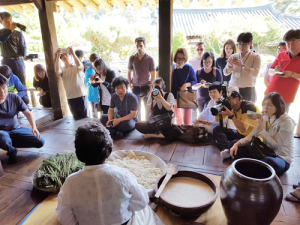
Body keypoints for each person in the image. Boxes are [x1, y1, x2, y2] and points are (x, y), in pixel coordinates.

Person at [56, 122, 161, 225]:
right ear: (109, 149)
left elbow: (65, 218)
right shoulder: (123, 175)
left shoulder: (70, 182)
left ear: (78, 153)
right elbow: (141, 202)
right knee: (145, 210)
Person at [229, 92, 295, 176]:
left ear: (278, 106)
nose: (265, 107)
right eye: (264, 104)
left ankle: (244, 169)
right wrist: (237, 144)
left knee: (268, 162)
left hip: (280, 158)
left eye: (270, 105)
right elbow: (250, 136)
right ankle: (248, 169)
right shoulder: (263, 117)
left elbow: (276, 146)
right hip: (264, 151)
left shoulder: (286, 122)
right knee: (235, 148)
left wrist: (261, 131)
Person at [0, 74, 44, 164]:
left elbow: (28, 113)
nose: (2, 92)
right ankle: (12, 151)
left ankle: (9, 143)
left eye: (4, 88)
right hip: (1, 132)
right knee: (3, 137)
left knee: (40, 142)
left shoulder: (14, 97)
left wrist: (34, 127)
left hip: (16, 128)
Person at [212, 86, 260, 158]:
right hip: (240, 134)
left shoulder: (249, 107)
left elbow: (243, 129)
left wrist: (231, 115)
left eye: (228, 99)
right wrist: (217, 108)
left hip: (252, 139)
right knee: (217, 129)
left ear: (236, 99)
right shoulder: (232, 107)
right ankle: (226, 148)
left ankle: (227, 147)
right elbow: (217, 120)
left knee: (231, 145)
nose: (226, 101)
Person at [265, 29, 300, 113]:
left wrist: (291, 74)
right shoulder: (281, 54)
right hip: (270, 91)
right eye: (288, 43)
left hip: (286, 96)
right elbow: (270, 72)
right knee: (265, 118)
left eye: (293, 42)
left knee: (281, 121)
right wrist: (275, 70)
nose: (290, 46)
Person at [223, 32, 261, 101]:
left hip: (246, 89)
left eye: (244, 45)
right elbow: (225, 73)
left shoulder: (256, 57)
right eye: (239, 44)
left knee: (245, 110)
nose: (241, 47)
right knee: (232, 110)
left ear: (251, 43)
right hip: (233, 87)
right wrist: (230, 65)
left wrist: (243, 66)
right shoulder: (234, 56)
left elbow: (255, 73)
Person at [55, 47, 88, 119]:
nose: (65, 56)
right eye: (63, 56)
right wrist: (57, 55)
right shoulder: (62, 69)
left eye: (67, 54)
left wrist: (73, 53)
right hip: (70, 97)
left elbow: (80, 64)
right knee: (75, 118)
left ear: (71, 56)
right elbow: (57, 71)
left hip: (81, 95)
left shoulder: (77, 66)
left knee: (85, 118)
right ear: (61, 59)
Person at [128, 37, 155, 121]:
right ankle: (138, 126)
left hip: (146, 87)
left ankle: (147, 125)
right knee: (136, 108)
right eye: (137, 46)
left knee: (148, 108)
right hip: (135, 87)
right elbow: (129, 72)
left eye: (141, 46)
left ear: (145, 45)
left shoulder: (150, 59)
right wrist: (129, 83)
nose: (139, 48)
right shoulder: (132, 58)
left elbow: (153, 74)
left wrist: (151, 88)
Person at [0, 12, 27, 86]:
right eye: (6, 20)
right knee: (6, 83)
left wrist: (24, 55)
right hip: (6, 61)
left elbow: (22, 46)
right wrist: (10, 30)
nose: (9, 22)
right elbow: (2, 39)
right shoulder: (1, 33)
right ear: (1, 22)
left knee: (21, 83)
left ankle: (23, 97)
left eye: (10, 20)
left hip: (18, 60)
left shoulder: (18, 33)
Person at [171, 47, 197, 125]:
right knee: (178, 118)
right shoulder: (171, 67)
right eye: (178, 58)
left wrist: (186, 84)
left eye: (182, 58)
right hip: (175, 95)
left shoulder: (188, 68)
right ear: (175, 58)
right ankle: (180, 135)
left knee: (187, 120)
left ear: (185, 59)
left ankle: (188, 135)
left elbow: (194, 81)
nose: (180, 61)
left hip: (186, 95)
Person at [85, 53, 101, 118]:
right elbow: (86, 84)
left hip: (102, 95)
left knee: (103, 113)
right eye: (93, 63)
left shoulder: (102, 69)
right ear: (90, 62)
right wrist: (90, 81)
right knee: (94, 115)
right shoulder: (88, 71)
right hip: (92, 95)